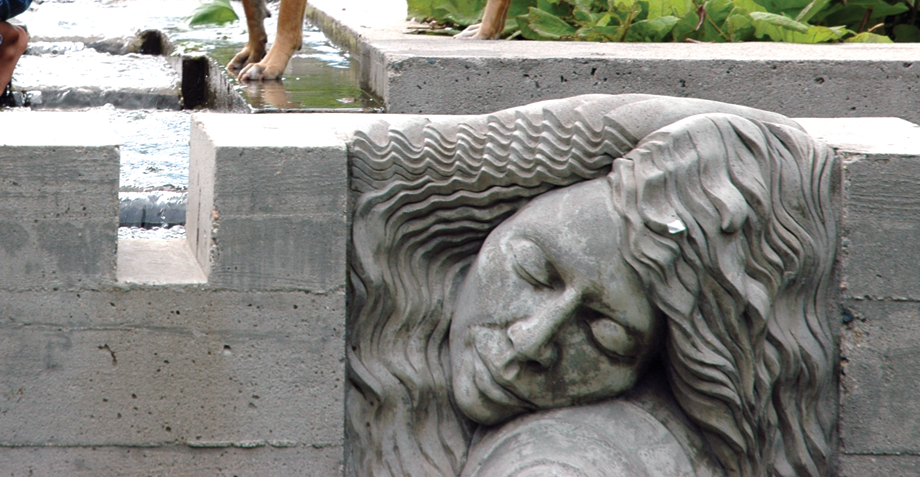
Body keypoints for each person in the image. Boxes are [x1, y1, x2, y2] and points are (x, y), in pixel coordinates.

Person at [346, 94, 837, 477]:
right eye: (534, 269)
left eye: (609, 338)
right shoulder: (384, 262)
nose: (532, 341)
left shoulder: (572, 454)